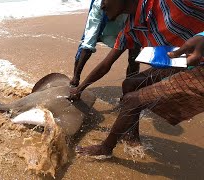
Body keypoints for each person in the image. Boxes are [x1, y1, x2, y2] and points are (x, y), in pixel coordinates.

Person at [70, 0, 204, 158]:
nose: (101, 5)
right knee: (130, 83)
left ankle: (105, 149)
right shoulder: (130, 29)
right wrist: (80, 87)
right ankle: (131, 134)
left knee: (132, 100)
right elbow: (106, 64)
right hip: (183, 64)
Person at [70, 0, 141, 87]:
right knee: (85, 43)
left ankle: (131, 86)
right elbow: (88, 44)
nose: (103, 5)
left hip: (123, 25)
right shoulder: (99, 7)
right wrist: (76, 78)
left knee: (134, 54)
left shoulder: (136, 7)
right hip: (105, 24)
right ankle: (75, 77)